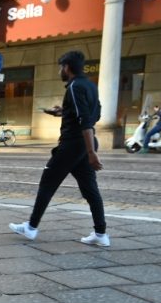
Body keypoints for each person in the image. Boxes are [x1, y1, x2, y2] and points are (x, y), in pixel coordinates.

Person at [9, 50, 109, 247]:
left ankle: (31, 227)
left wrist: (91, 153)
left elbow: (85, 120)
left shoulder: (74, 86)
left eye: (60, 68)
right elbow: (94, 113)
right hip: (83, 143)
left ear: (67, 67)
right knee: (90, 189)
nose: (59, 72)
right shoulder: (90, 85)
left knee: (47, 184)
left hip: (73, 144)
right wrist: (64, 112)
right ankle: (101, 233)